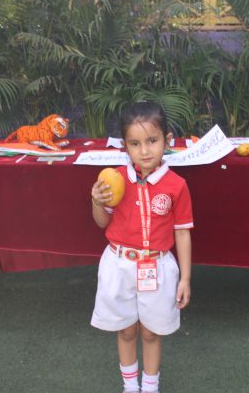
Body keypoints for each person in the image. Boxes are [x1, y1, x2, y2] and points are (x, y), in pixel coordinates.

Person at [90, 102, 193, 393]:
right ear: (125, 146)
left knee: (150, 333)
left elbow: (183, 233)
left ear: (167, 140)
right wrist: (96, 202)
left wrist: (185, 279)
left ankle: (149, 387)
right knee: (126, 330)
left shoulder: (177, 185)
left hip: (157, 267)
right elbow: (101, 223)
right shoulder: (115, 179)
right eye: (135, 144)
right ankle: (129, 387)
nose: (144, 151)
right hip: (118, 264)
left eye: (152, 141)